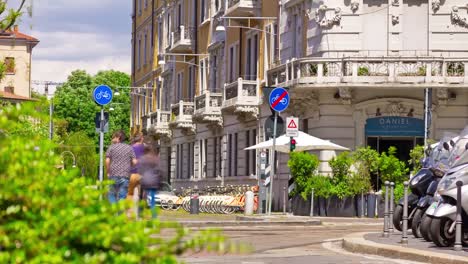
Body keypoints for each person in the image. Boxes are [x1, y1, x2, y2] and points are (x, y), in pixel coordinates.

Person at [105, 130, 137, 203]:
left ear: (118, 137)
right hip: (125, 176)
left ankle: (113, 210)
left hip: (113, 175)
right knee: (122, 196)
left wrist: (108, 171)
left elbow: (107, 160)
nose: (113, 139)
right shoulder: (129, 148)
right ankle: (120, 213)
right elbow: (135, 162)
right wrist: (129, 167)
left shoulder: (111, 147)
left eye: (114, 137)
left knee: (111, 194)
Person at [138, 145, 161, 218]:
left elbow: (140, 170)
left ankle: (140, 213)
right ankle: (154, 215)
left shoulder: (142, 159)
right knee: (153, 199)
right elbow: (160, 170)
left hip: (145, 180)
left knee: (142, 197)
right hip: (154, 181)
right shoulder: (155, 159)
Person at [127, 132, 145, 201]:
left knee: (130, 194)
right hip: (142, 174)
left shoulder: (130, 148)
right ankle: (140, 209)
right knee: (142, 195)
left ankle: (128, 210)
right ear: (141, 139)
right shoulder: (145, 147)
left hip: (132, 173)